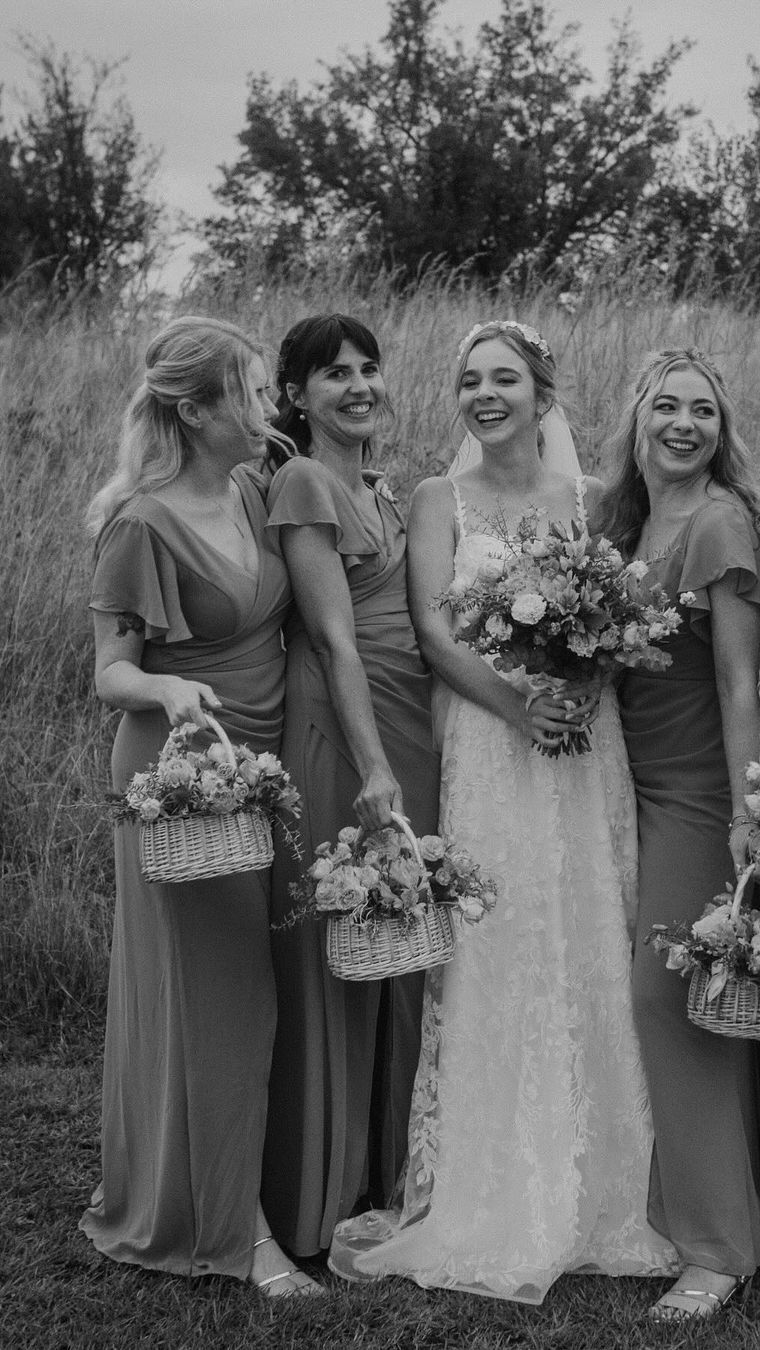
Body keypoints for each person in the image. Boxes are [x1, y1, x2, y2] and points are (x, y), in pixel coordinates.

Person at [329, 319, 677, 1302]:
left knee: (591, 926)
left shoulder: (595, 498)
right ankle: (494, 1185)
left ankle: (608, 1181)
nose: (486, 395)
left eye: (505, 380)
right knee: (504, 934)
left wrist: (579, 682)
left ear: (543, 393)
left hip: (580, 737)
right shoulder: (439, 497)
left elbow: (625, 612)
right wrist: (518, 704)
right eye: (470, 381)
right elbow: (436, 628)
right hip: (489, 740)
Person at [80, 316, 320, 1296]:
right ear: (196, 408)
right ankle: (237, 1237)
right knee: (226, 1002)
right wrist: (169, 691)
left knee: (247, 994)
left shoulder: (257, 491)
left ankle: (221, 1193)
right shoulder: (141, 522)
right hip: (183, 774)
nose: (269, 408)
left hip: (262, 764)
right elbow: (109, 672)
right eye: (254, 392)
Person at [598, 348, 760, 1322]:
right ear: (637, 417)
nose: (683, 424)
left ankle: (721, 1248)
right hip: (621, 784)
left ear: (722, 429)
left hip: (697, 789)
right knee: (660, 992)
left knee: (669, 994)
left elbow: (735, 683)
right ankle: (703, 1209)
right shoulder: (622, 520)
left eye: (703, 412)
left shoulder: (718, 521)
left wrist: (748, 813)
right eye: (666, 406)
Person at [260, 313, 440, 1258]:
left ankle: (387, 1173)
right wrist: (373, 767)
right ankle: (315, 1191)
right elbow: (332, 638)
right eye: (335, 374)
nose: (359, 385)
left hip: (407, 718)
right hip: (344, 727)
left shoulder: (383, 486)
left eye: (370, 368)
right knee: (340, 943)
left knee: (403, 938)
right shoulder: (304, 481)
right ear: (296, 395)